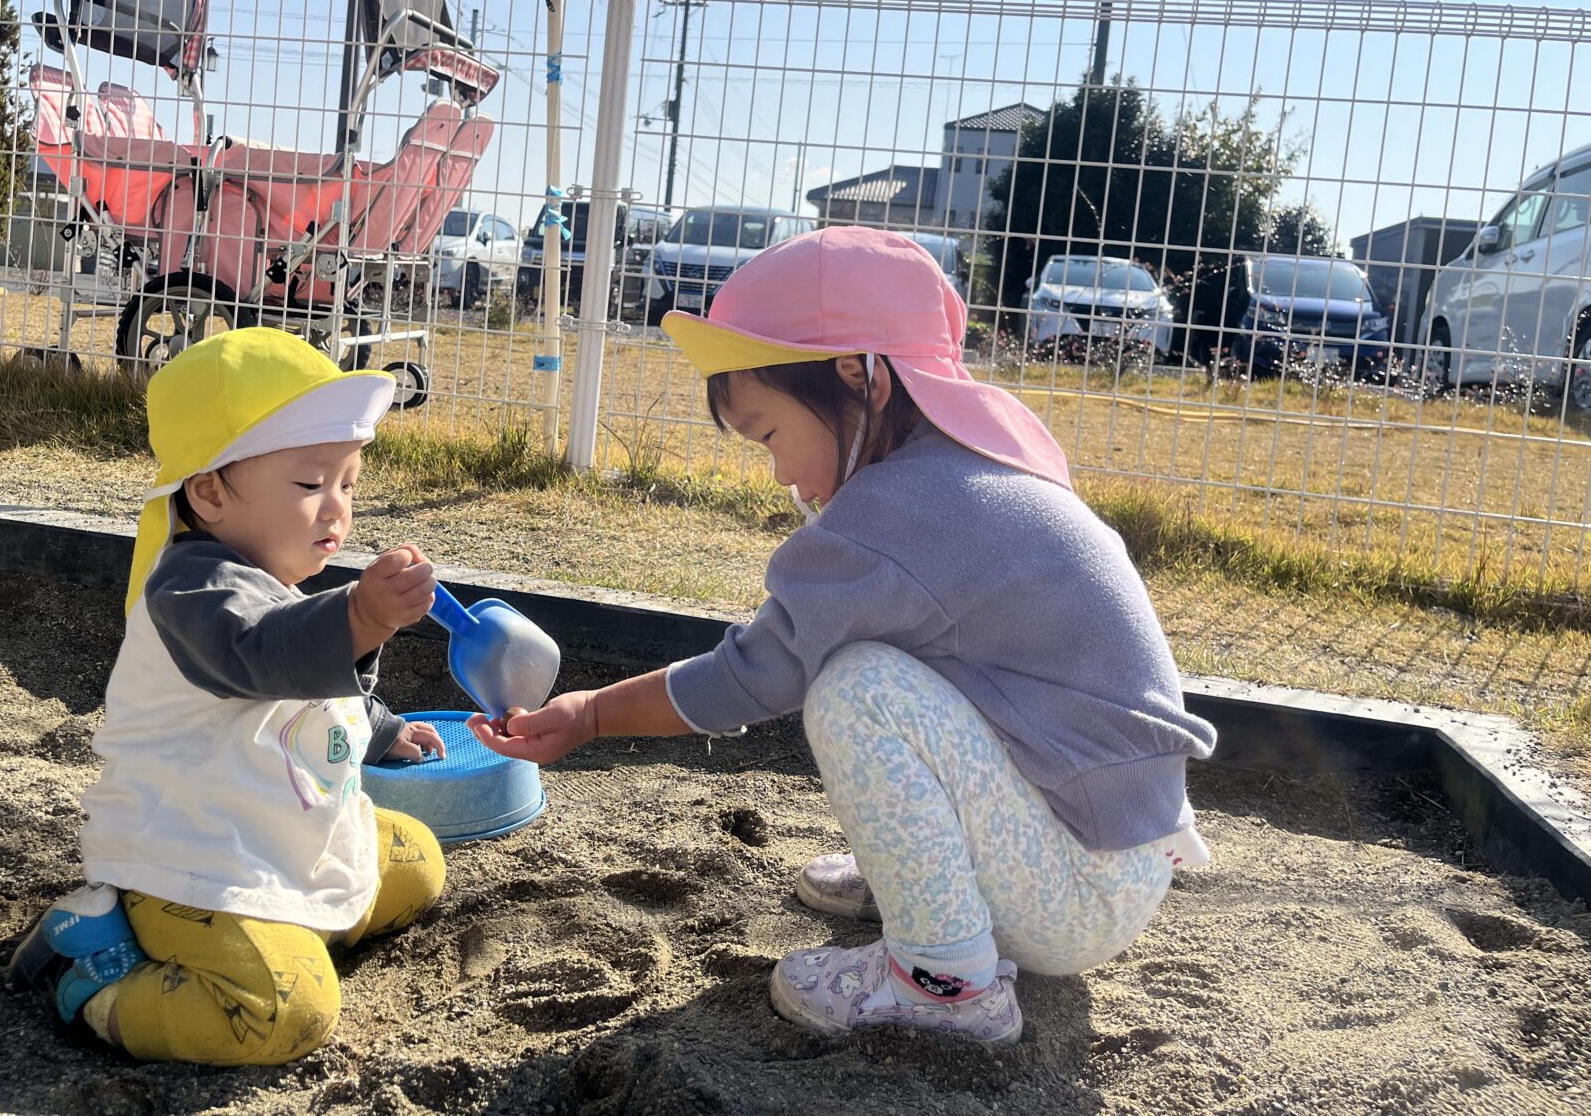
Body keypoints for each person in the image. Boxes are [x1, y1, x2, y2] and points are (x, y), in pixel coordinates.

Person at [474, 227, 1216, 1046]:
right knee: (892, 668)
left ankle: (947, 982)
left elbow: (753, 674)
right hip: (1114, 851)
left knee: (858, 690)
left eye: (768, 434)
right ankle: (932, 886)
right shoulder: (975, 466)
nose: (779, 471)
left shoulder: (899, 511)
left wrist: (591, 716)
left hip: (1074, 887)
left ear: (857, 378)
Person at [10, 327, 446, 1065]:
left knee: (416, 863)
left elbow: (307, 699)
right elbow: (261, 656)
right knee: (287, 1012)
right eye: (310, 485)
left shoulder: (270, 576)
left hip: (274, 831)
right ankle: (96, 982)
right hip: (194, 857)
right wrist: (363, 616)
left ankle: (276, 926)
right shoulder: (191, 590)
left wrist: (377, 729)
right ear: (209, 490)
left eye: (348, 483)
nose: (336, 509)